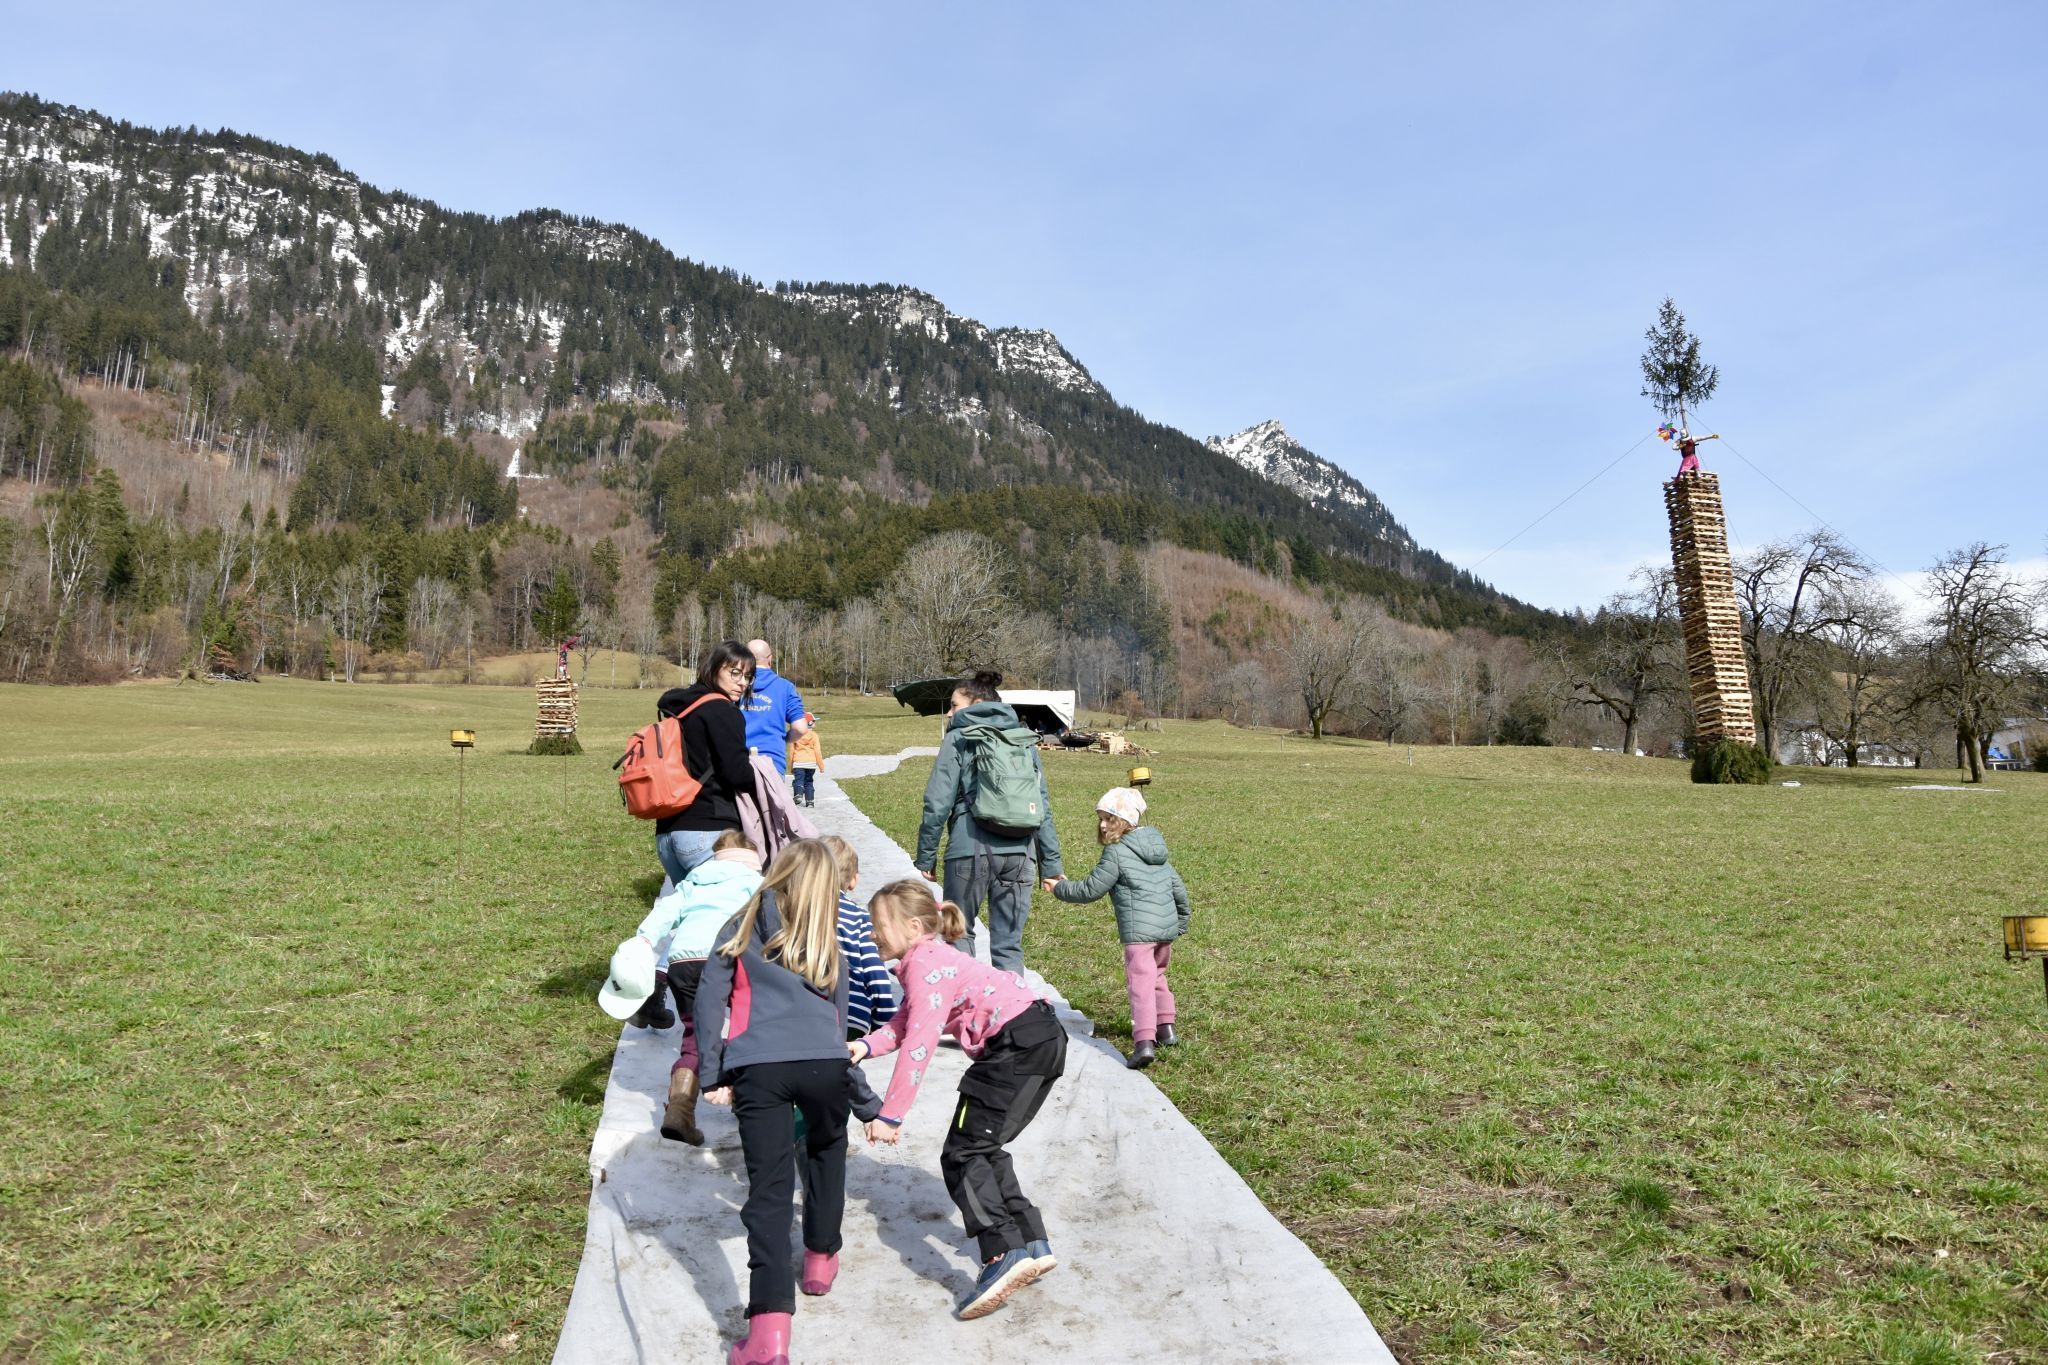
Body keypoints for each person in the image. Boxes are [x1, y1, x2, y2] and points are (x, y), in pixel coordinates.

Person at [850, 878, 1067, 1322]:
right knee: (983, 1147)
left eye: (879, 924)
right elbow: (904, 1023)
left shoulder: (923, 964)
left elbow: (919, 1043)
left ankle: (1001, 1252)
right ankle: (1030, 1241)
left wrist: (890, 1115)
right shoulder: (934, 959)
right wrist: (865, 1046)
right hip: (1043, 1035)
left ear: (912, 926)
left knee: (962, 1154)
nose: (873, 933)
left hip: (1015, 1046)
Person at [694, 841, 852, 1365]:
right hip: (825, 1067)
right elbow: (839, 1016)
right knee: (827, 1149)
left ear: (774, 875)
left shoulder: (739, 929)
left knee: (769, 1189)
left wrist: (714, 1072)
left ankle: (768, 1335)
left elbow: (709, 998)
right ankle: (820, 1257)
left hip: (760, 1068)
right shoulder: (828, 940)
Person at [912, 670, 1063, 974]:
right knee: (1009, 945)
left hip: (969, 851)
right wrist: (1052, 865)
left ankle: (965, 1014)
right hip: (1020, 855)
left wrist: (926, 855)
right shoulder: (1023, 739)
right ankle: (1012, 1016)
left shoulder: (958, 737)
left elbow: (937, 802)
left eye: (955, 705)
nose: (950, 712)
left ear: (977, 702)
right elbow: (1041, 805)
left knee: (959, 936)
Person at [627, 830, 766, 1145]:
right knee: (747, 1025)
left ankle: (680, 1107)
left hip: (683, 963)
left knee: (696, 1033)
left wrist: (644, 939)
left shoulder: (693, 882)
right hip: (731, 956)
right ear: (752, 860)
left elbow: (663, 913)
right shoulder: (753, 882)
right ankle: (748, 1103)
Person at [1042, 787, 1191, 1070]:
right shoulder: (1158, 853)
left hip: (1138, 935)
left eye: (1109, 818)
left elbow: (1090, 889)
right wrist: (1180, 922)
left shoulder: (1117, 854)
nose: (1102, 824)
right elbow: (1178, 890)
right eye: (1100, 818)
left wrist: (1059, 888)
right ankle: (1166, 1029)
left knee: (1141, 985)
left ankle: (1144, 1042)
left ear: (1125, 821)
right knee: (1157, 977)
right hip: (1164, 932)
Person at [651, 641, 759, 886]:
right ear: (713, 669)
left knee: (694, 915)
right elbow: (736, 773)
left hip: (668, 834)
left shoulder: (679, 709)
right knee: (724, 916)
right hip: (708, 830)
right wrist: (763, 777)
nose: (743, 682)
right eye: (735, 673)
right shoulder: (723, 711)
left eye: (748, 676)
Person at [819, 835, 897, 1036]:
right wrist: (885, 1019)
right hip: (852, 1015)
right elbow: (874, 972)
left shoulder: (797, 910)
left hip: (808, 1014)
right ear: (854, 880)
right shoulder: (859, 917)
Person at [741, 638, 810, 775]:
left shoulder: (736, 684)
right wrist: (784, 738)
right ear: (770, 659)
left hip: (738, 760)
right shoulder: (785, 687)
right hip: (772, 764)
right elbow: (801, 728)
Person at [788, 713, 823, 808]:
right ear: (810, 723)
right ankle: (810, 801)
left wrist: (791, 766)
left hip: (798, 763)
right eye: (814, 721)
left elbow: (791, 752)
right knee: (809, 782)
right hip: (811, 764)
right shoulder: (815, 736)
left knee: (798, 781)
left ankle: (798, 794)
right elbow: (817, 751)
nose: (815, 723)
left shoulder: (795, 735)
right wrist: (821, 766)